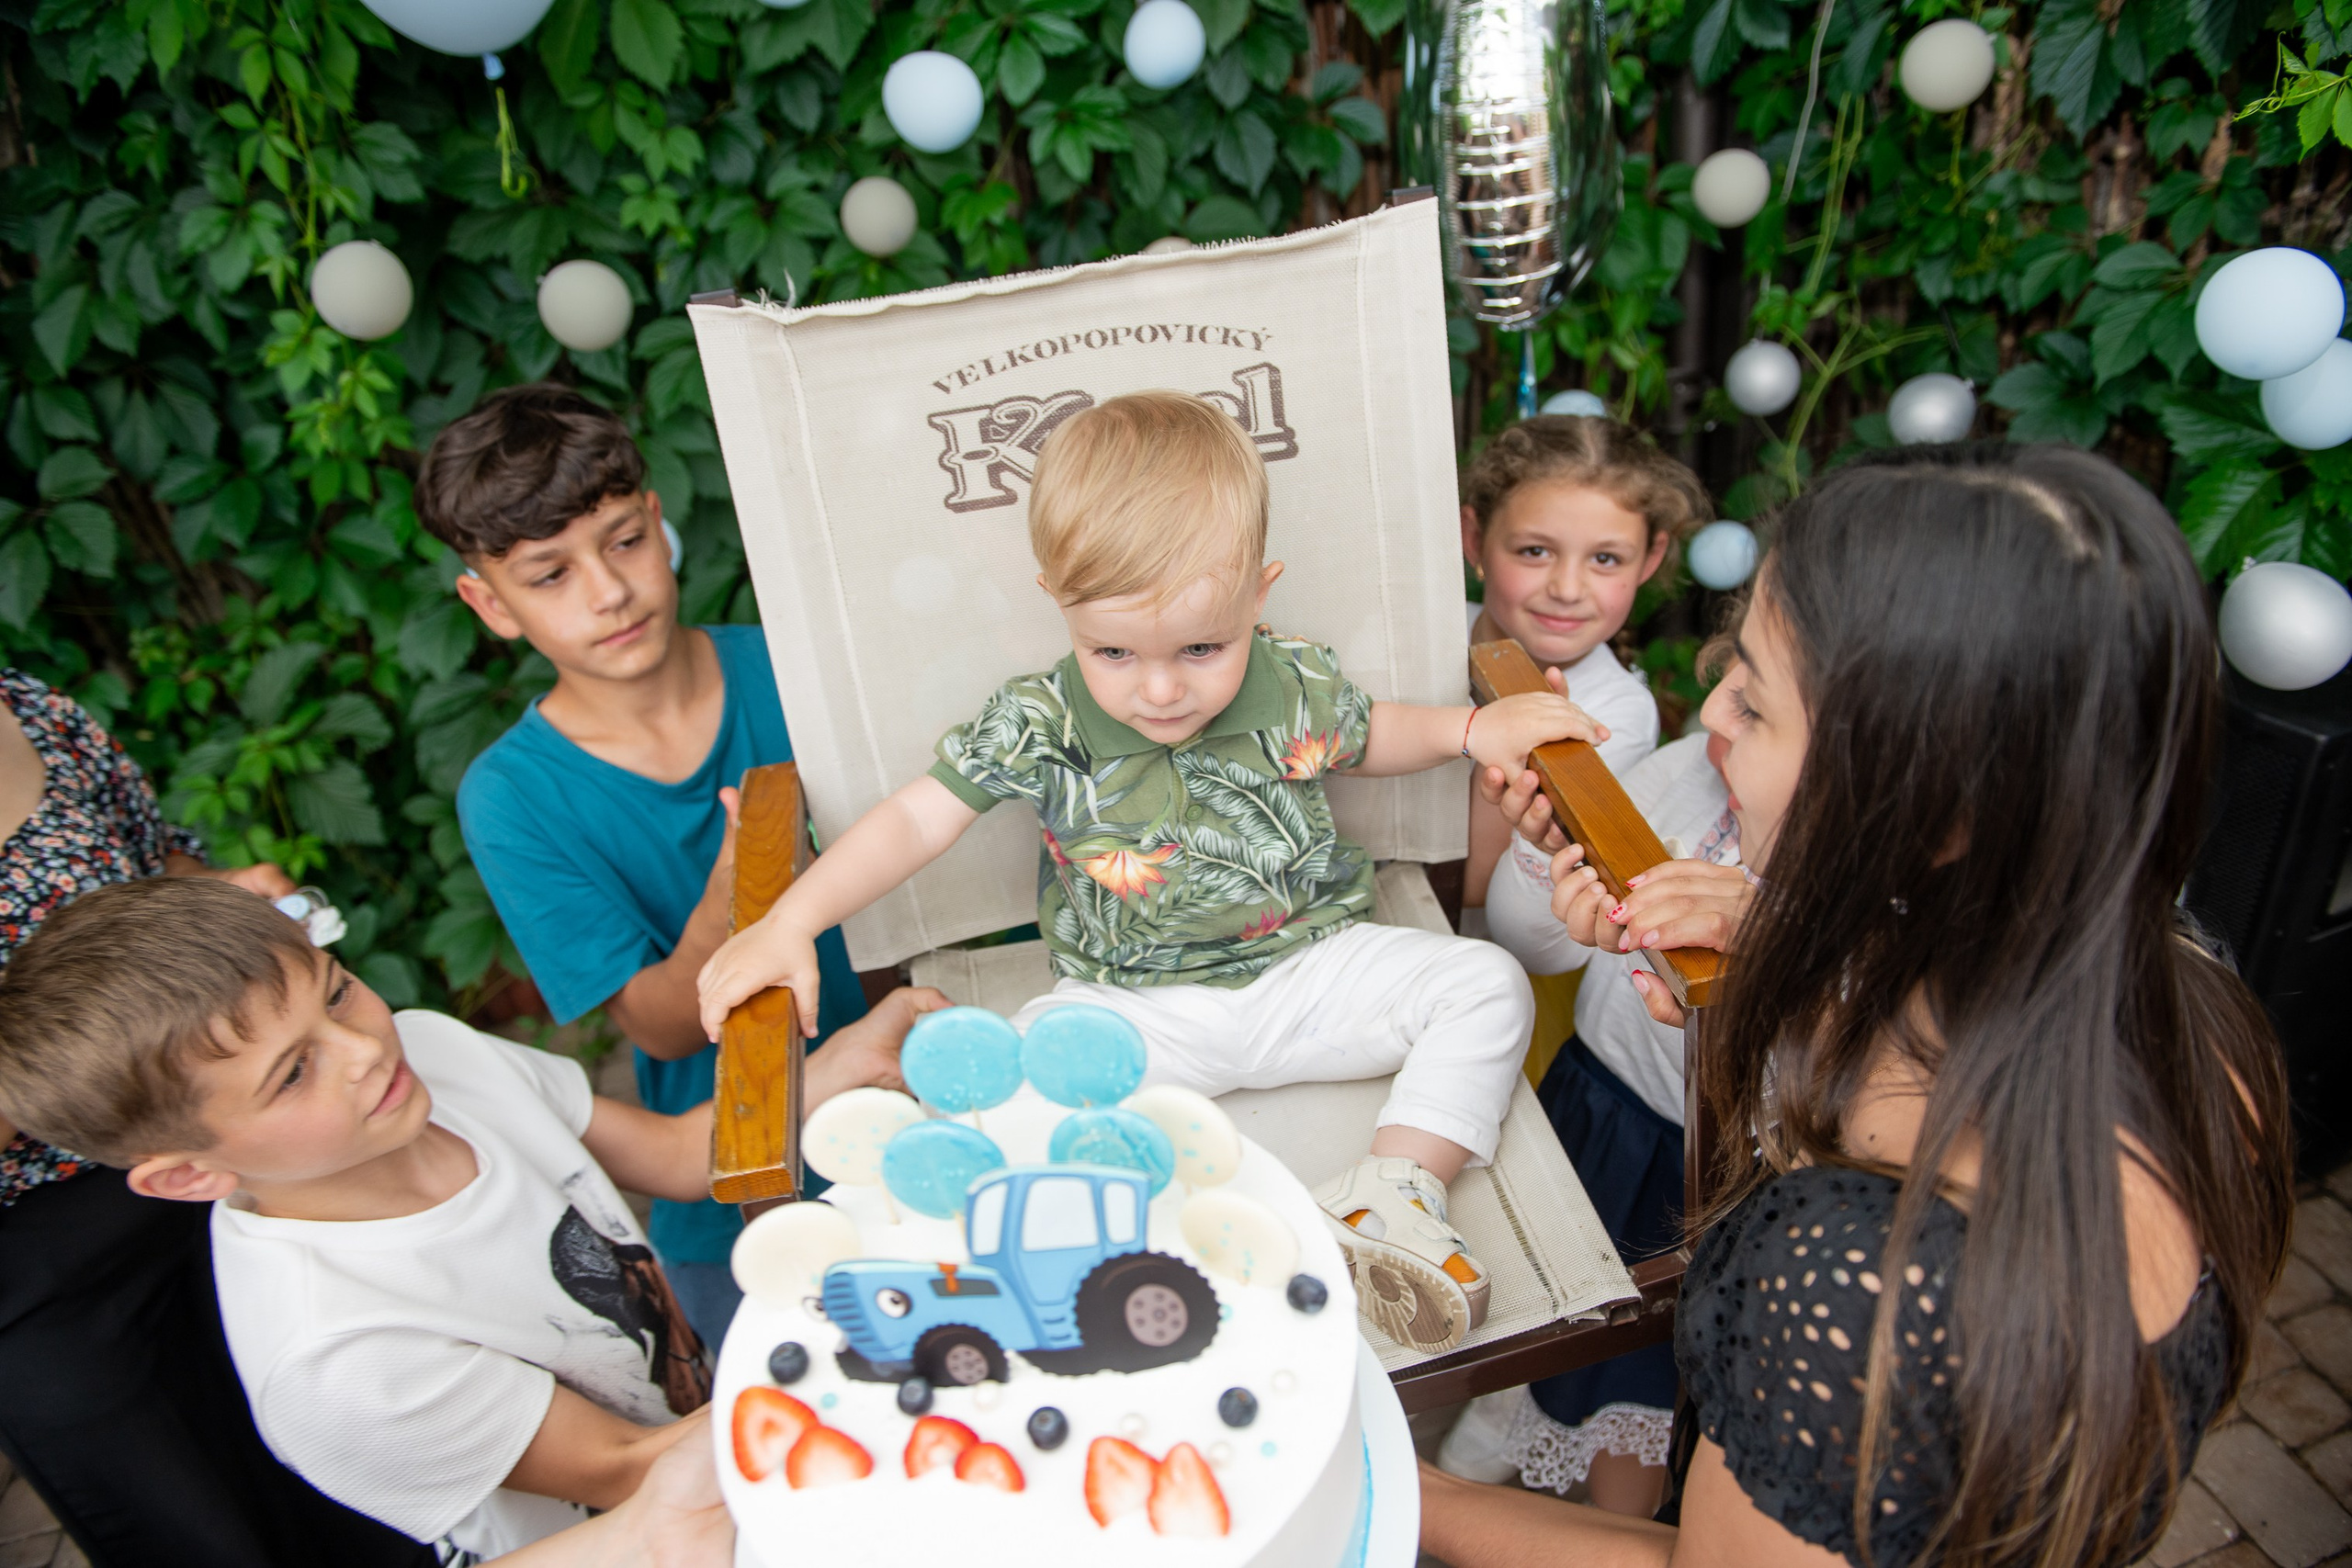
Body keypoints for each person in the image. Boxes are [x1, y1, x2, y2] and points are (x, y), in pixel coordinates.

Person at [1419, 445, 2293, 1567]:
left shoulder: (1860, 1281)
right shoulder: (2193, 1012)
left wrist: (1395, 1475)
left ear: (1927, 806)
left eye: (1757, 701)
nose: (1714, 715)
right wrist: (1771, 973)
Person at [698, 390, 1604, 1356]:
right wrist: (790, 921)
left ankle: (1395, 1192)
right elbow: (917, 820)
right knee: (1013, 1077)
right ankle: (1054, 1246)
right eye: (1115, 652)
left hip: (1311, 974)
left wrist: (1471, 729)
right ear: (1058, 602)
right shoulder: (1039, 719)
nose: (1162, 689)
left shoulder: (1290, 680)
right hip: (1133, 1015)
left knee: (1484, 984)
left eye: (1203, 648)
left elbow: (1375, 732)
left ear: (1260, 594)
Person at [0, 876, 907, 1561]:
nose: (363, 1047)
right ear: (192, 1173)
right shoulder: (335, 1356)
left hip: (737, 1431)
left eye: (338, 989)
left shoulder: (430, 1049)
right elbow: (629, 1465)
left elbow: (671, 1152)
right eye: (292, 1073)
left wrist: (830, 1077)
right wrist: (890, 1358)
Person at [418, 382, 896, 1350]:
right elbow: (662, 1028)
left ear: (659, 522)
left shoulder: (796, 671)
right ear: (488, 603)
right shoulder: (511, 797)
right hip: (732, 1198)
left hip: (911, 1109)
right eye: (549, 575)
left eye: (623, 540)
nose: (608, 591)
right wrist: (738, 897)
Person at [0, 669, 431, 1568]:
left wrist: (233, 914)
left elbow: (158, 865)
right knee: (218, 1530)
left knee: (389, 1466)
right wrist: (79, 1051)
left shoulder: (24, 704)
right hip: (57, 1269)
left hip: (258, 1162)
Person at [1436, 716, 1740, 1515]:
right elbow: (1541, 944)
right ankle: (1497, 1425)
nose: (1716, 712)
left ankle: (1615, 1519)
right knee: (1538, 1297)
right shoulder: (1686, 772)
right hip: (1596, 1099)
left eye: (1758, 705)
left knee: (1635, 1373)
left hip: (1694, 1163)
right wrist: (1544, 855)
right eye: (1729, 679)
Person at [1458, 417, 1708, 914]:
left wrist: (1510, 734)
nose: (1568, 589)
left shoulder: (1616, 715)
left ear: (1650, 558)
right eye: (1535, 551)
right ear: (1474, 538)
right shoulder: (1432, 634)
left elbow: (1471, 890)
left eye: (1606, 559)